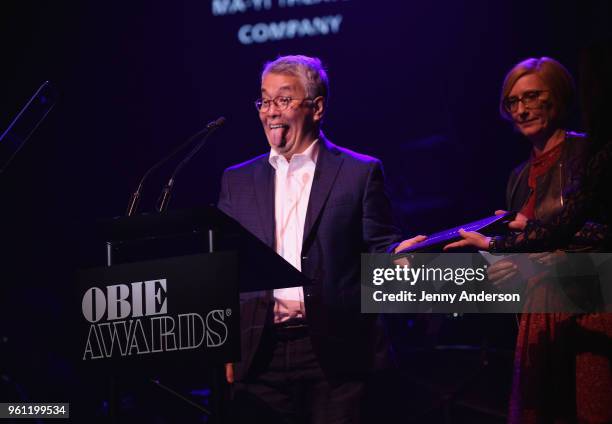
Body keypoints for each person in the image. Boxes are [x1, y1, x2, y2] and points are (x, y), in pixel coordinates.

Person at [217, 55, 420, 424]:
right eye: (264, 100)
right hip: (259, 355)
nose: (271, 111)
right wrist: (225, 344)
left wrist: (399, 257)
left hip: (336, 354)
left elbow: (380, 248)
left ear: (317, 107)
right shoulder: (237, 180)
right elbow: (226, 269)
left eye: (283, 99)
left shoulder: (359, 172)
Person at [445, 55, 612, 422]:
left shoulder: (589, 153)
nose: (522, 110)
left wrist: (539, 246)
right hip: (539, 313)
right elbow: (525, 249)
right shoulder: (518, 176)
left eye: (532, 97)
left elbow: (600, 233)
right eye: (513, 102)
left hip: (590, 306)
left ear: (558, 97)